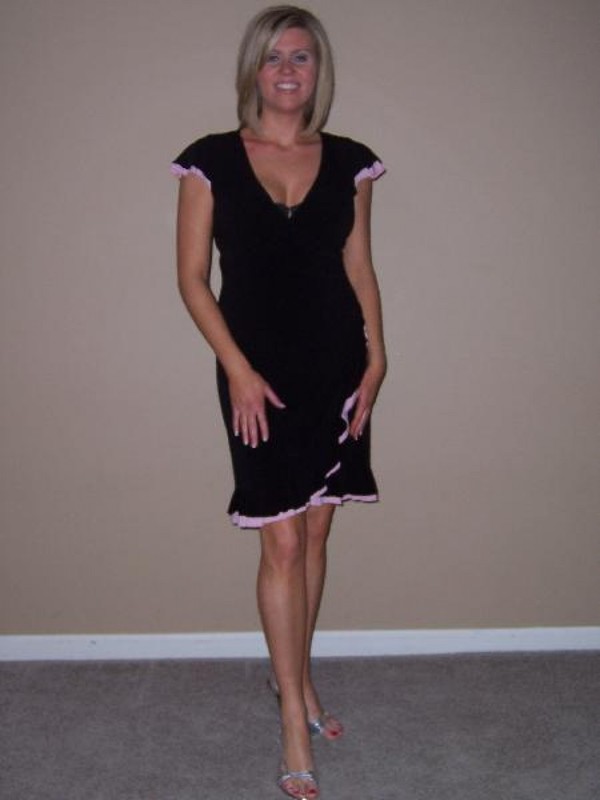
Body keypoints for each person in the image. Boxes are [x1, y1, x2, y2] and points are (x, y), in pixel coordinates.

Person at [171, 6, 386, 798]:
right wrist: (236, 367)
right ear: (253, 70)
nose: (288, 69)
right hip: (254, 371)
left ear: (316, 69)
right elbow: (193, 279)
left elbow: (359, 265)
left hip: (337, 363)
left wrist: (378, 356)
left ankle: (297, 678)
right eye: (274, 57)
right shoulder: (211, 160)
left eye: (301, 56)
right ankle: (293, 714)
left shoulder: (351, 161)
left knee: (317, 529)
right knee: (282, 541)